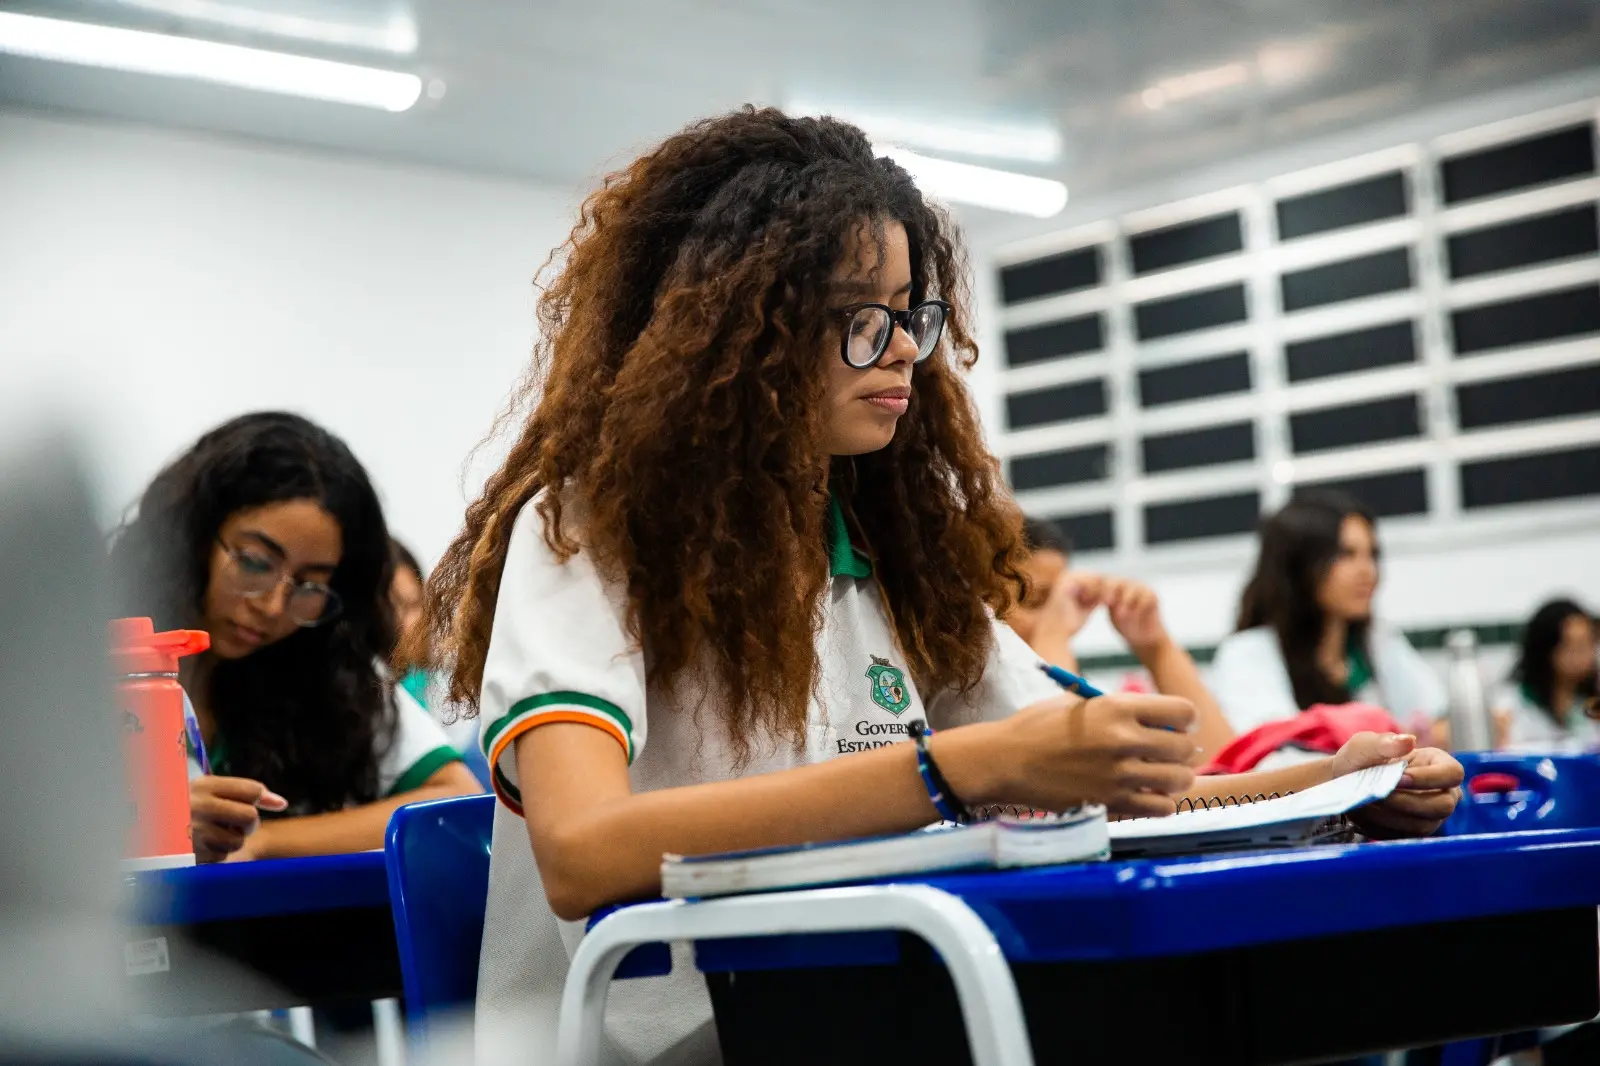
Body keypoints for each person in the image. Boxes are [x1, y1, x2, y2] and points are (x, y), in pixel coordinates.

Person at [409, 109, 1462, 1064]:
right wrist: (955, 769)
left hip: (858, 1011)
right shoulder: (588, 528)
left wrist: (1334, 788)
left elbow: (1115, 782)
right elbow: (584, 855)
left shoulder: (891, 554)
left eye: (911, 311)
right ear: (739, 327)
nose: (906, 348)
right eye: (858, 317)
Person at [110, 412, 480, 863]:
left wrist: (263, 841)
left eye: (310, 585)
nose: (271, 607)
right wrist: (154, 825)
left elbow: (456, 798)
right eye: (255, 562)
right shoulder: (77, 653)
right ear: (193, 536)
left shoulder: (332, 673)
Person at [1209, 491, 1447, 748]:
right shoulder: (1249, 654)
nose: (1367, 571)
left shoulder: (1377, 643)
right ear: (1299, 565)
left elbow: (1442, 721)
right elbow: (1275, 754)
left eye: (1371, 554)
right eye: (1347, 554)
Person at [1010, 517, 1235, 759]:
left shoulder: (1082, 694)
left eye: (1059, 599)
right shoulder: (980, 709)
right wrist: (1053, 634)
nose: (1060, 614)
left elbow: (1225, 764)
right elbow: (1058, 763)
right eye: (1032, 601)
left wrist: (1157, 648)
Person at [1495, 599, 1600, 754]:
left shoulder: (1588, 704)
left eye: (1589, 644)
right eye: (1576, 646)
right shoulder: (1509, 705)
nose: (1587, 656)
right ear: (1547, 649)